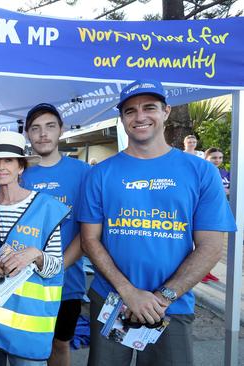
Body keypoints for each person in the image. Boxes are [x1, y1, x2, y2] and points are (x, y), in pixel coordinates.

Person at [79, 80, 236, 365]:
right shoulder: (100, 174)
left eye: (149, 107)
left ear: (166, 111)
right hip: (112, 300)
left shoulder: (201, 172)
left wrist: (162, 298)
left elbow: (211, 246)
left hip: (172, 305)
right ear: (122, 118)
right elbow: (89, 240)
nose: (140, 116)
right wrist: (128, 291)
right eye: (130, 111)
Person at [0, 131, 69, 366]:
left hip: (25, 322)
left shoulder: (46, 207)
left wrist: (35, 255)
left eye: (8, 160)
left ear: (21, 167)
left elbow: (55, 268)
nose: (1, 167)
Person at [22, 103, 91, 366]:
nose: (43, 134)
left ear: (60, 130)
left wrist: (57, 265)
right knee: (28, 344)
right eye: (36, 128)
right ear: (28, 133)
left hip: (67, 281)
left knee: (60, 343)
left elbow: (88, 231)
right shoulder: (19, 173)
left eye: (50, 126)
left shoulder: (83, 172)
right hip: (26, 282)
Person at [201, 147, 231, 283]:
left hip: (221, 211)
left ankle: (208, 271)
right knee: (204, 246)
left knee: (216, 247)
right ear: (206, 158)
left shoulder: (224, 173)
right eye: (214, 157)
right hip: (206, 213)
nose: (217, 160)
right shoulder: (203, 172)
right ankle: (201, 272)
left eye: (220, 157)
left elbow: (231, 188)